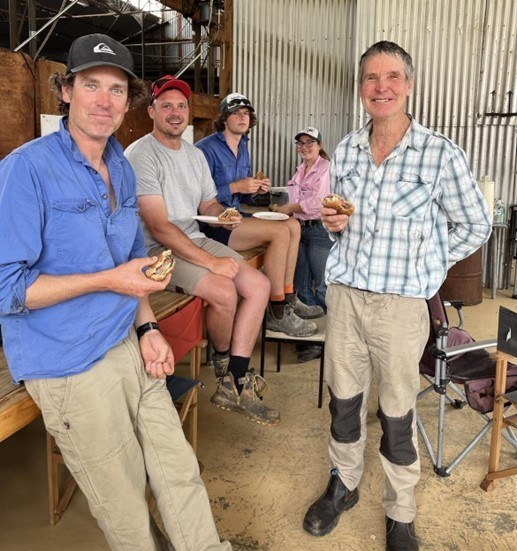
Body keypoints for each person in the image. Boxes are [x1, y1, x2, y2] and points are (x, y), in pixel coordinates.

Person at [0, 34, 230, 550]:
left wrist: (147, 325)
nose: (104, 101)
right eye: (92, 85)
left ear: (131, 102)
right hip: (68, 362)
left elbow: (133, 266)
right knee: (126, 508)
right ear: (66, 91)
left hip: (126, 342)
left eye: (117, 90)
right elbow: (7, 289)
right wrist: (108, 281)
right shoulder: (26, 169)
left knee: (178, 472)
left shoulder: (122, 167)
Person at [302, 41, 491, 550]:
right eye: (370, 78)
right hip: (346, 297)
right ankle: (343, 484)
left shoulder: (439, 153)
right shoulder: (344, 150)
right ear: (360, 86)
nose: (380, 87)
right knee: (344, 400)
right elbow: (339, 223)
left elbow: (477, 222)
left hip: (402, 305)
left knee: (397, 411)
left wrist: (429, 264)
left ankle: (400, 510)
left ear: (408, 84)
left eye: (391, 77)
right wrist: (336, 225)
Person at [125, 75, 279, 426]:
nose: (175, 112)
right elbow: (160, 227)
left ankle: (234, 378)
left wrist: (222, 216)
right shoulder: (140, 154)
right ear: (151, 111)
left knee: (259, 286)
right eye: (166, 106)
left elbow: (207, 203)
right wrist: (212, 262)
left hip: (193, 238)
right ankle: (225, 365)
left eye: (181, 106)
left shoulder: (194, 155)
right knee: (224, 290)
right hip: (156, 252)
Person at [196, 93, 323, 338]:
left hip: (238, 216)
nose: (242, 117)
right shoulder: (205, 149)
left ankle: (287, 297)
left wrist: (256, 190)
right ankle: (276, 312)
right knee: (278, 231)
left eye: (246, 114)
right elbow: (197, 198)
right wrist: (236, 186)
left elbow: (244, 199)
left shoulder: (243, 147)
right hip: (215, 225)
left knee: (292, 225)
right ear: (224, 118)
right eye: (236, 113)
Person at [273, 126, 332, 362]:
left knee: (324, 283)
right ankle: (309, 337)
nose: (305, 147)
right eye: (301, 143)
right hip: (300, 228)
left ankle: (327, 339)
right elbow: (294, 196)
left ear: (320, 145)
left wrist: (288, 208)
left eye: (310, 142)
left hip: (318, 229)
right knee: (302, 283)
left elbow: (318, 202)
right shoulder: (300, 170)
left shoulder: (325, 168)